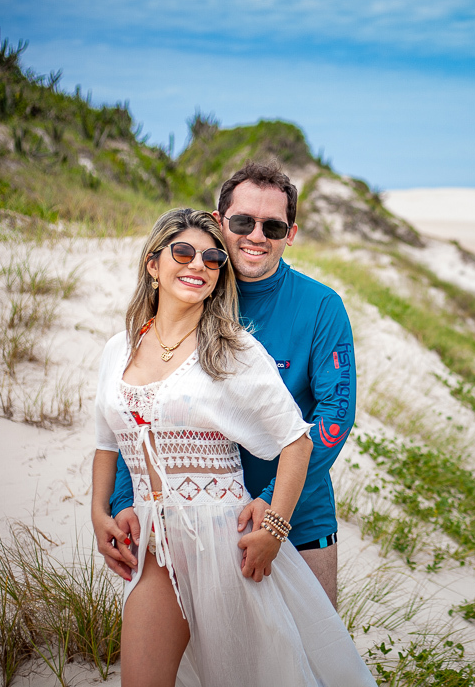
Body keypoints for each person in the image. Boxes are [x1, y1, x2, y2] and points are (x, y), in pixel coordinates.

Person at [90, 208, 375, 687]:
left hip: (223, 547)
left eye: (212, 258)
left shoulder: (233, 350)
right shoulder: (118, 350)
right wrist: (99, 511)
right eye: (183, 252)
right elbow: (106, 441)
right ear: (153, 264)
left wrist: (276, 527)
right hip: (156, 551)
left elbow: (297, 440)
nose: (197, 264)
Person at [100, 161, 355, 608]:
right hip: (195, 525)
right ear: (220, 222)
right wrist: (122, 498)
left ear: (290, 234)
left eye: (273, 226)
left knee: (309, 667)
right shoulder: (189, 294)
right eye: (243, 222)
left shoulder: (321, 306)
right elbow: (138, 409)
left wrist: (274, 506)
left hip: (299, 522)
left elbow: (336, 412)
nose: (257, 235)